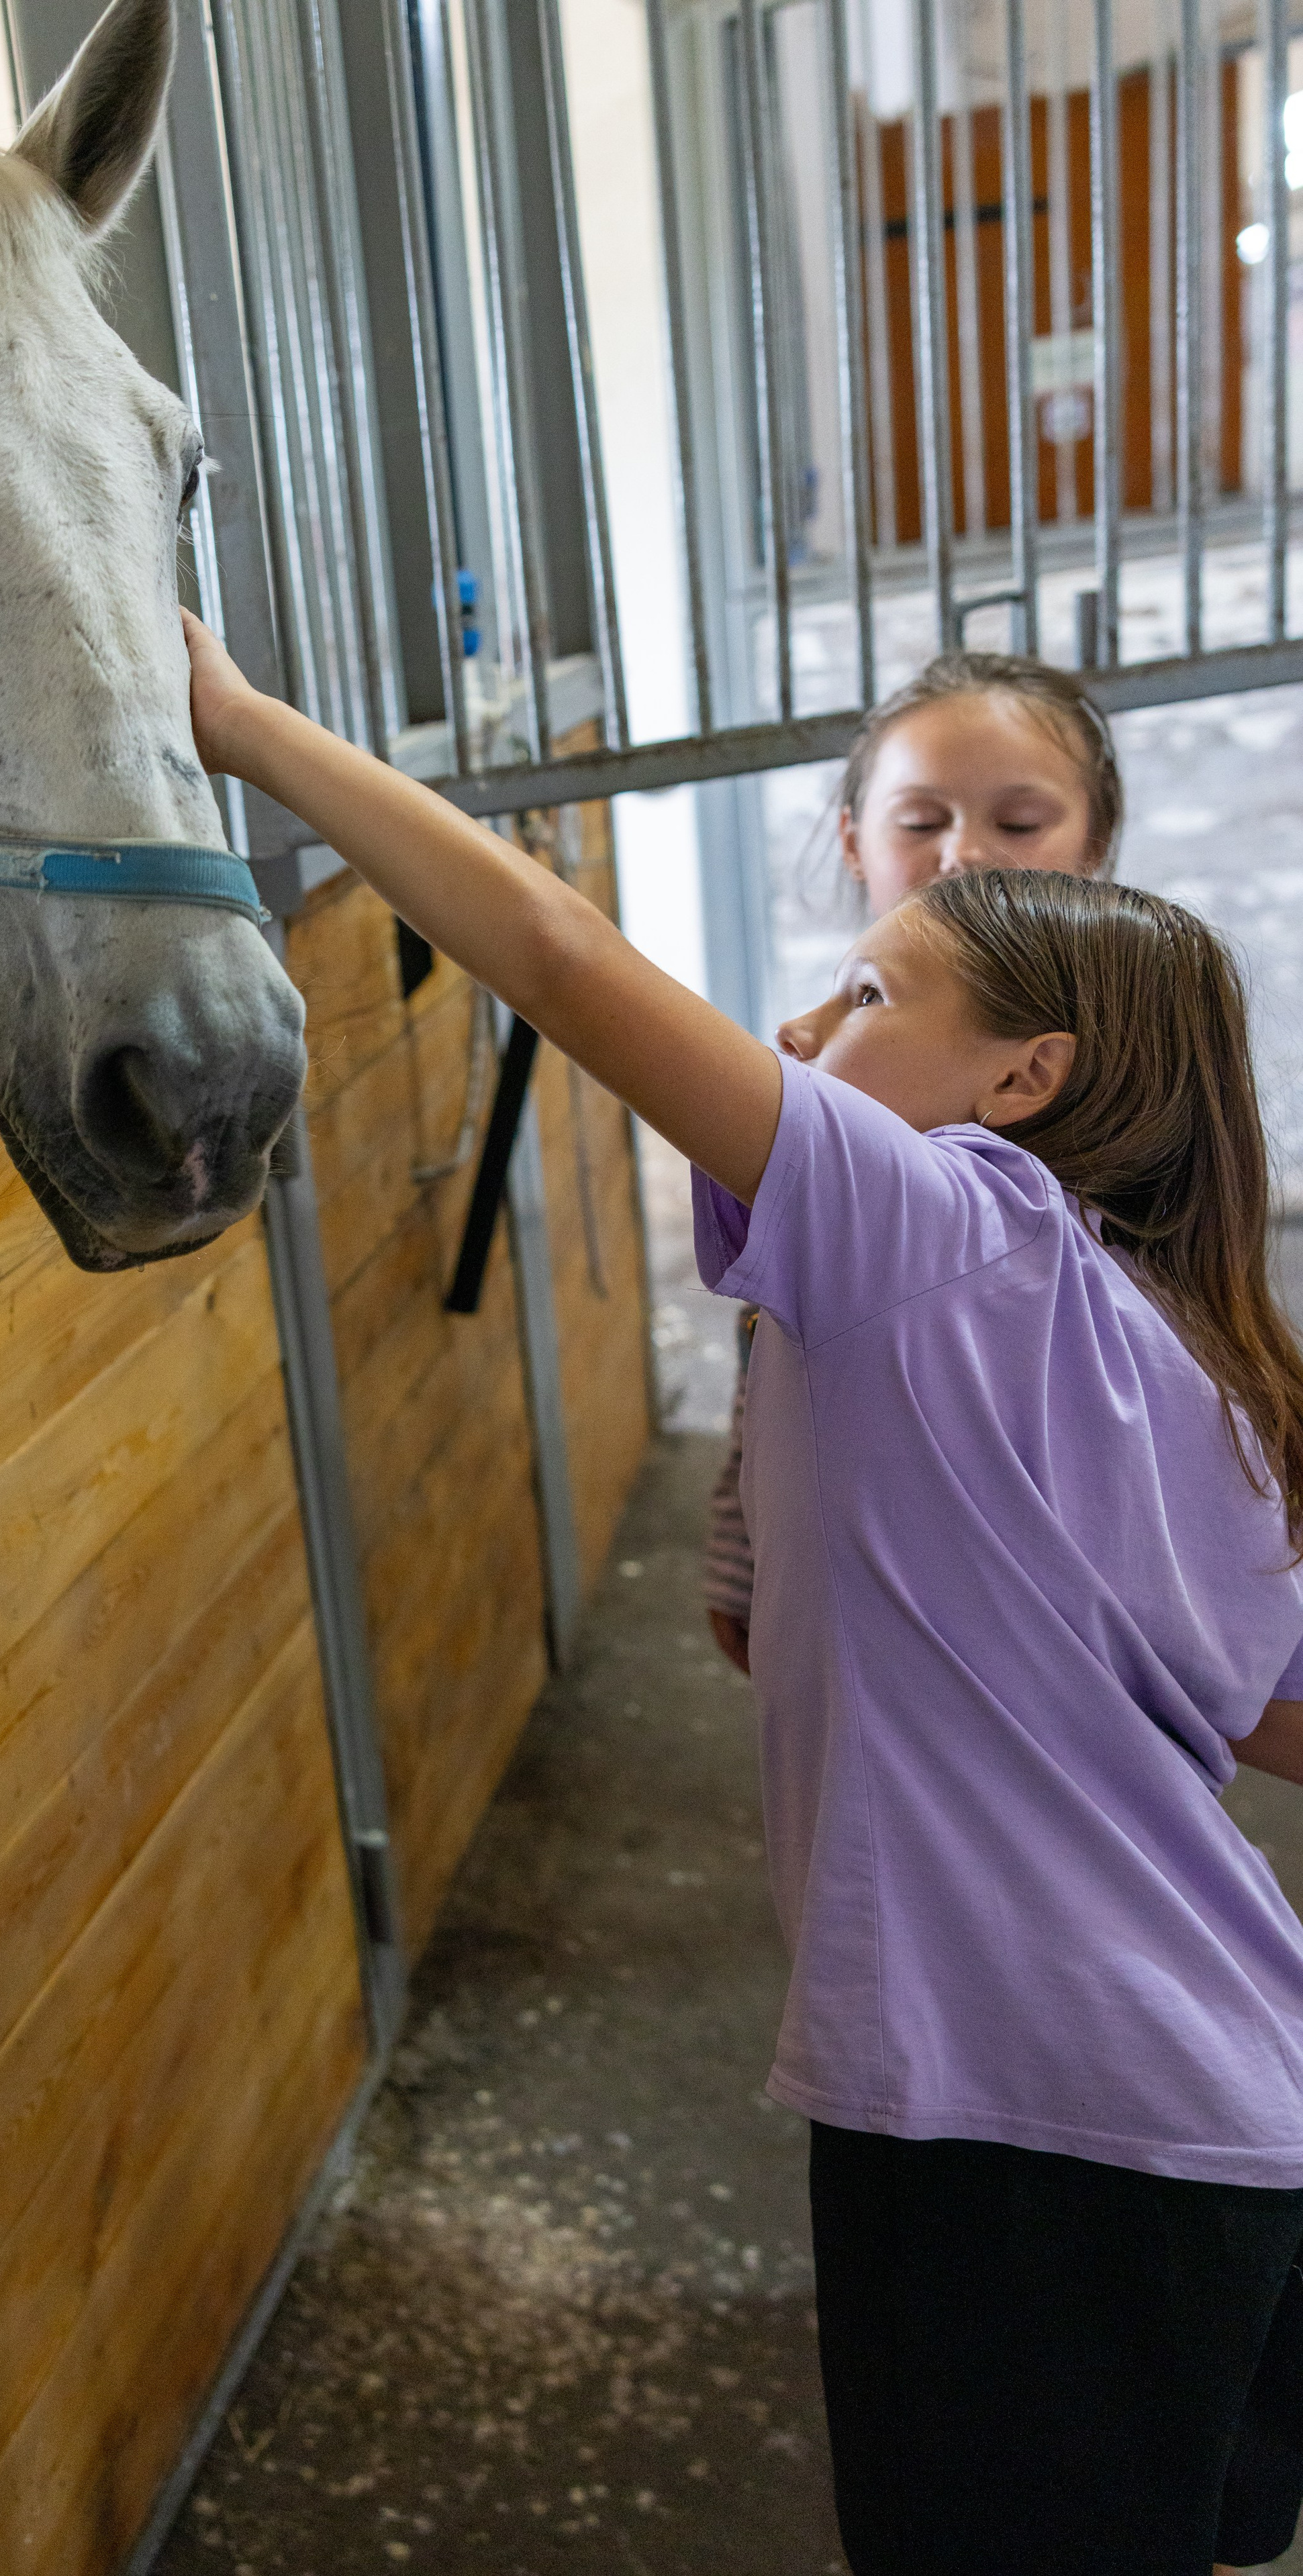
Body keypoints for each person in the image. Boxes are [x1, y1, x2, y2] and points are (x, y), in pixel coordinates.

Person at [183, 607, 1303, 2573]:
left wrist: (243, 722)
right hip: (1220, 2109)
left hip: (1018, 2120)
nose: (801, 1029)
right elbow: (1268, 1701)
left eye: (863, 997)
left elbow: (557, 956)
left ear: (1024, 1081)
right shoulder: (1178, 1346)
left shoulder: (939, 1222)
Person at [708, 650, 1122, 1672]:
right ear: (854, 841)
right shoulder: (828, 1054)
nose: (964, 856)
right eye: (921, 820)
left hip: (1071, 1612)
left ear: (1097, 843)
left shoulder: (1140, 1079)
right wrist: (744, 1534)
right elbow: (773, 1322)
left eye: (1018, 824)